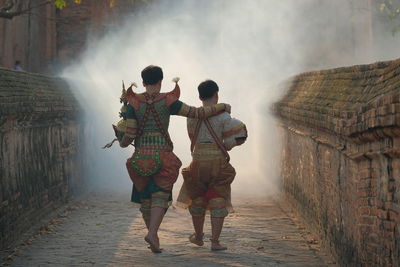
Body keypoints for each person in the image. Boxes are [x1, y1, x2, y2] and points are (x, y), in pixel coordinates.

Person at [113, 66, 231, 253]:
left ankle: (153, 235)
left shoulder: (133, 102)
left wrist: (120, 141)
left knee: (145, 199)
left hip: (141, 156)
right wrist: (221, 106)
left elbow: (129, 135)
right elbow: (197, 113)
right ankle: (153, 233)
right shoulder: (168, 101)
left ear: (143, 82)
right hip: (163, 156)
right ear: (160, 81)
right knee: (160, 195)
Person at [176, 80, 247, 251]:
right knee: (218, 198)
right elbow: (239, 134)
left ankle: (199, 237)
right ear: (216, 95)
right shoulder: (224, 117)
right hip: (217, 162)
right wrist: (228, 144)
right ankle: (215, 242)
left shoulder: (191, 118)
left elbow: (192, 137)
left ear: (199, 96)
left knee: (198, 198)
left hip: (198, 161)